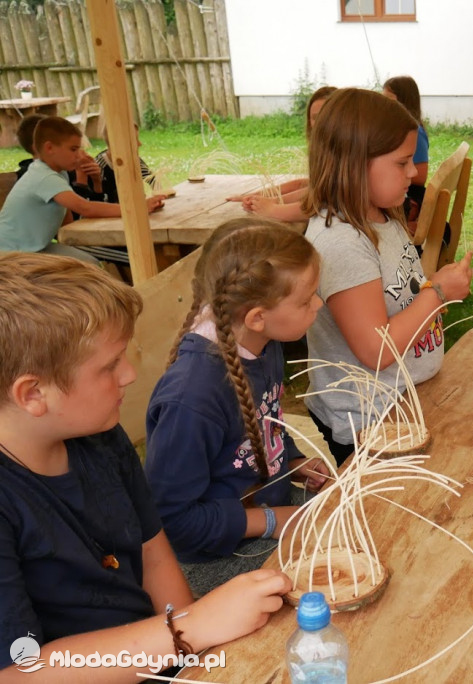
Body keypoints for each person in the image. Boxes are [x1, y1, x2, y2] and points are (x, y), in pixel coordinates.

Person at [0, 252, 291, 676]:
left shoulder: (99, 436)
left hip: (160, 647)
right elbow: (19, 672)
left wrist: (200, 659)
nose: (129, 375)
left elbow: (153, 553)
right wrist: (190, 629)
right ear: (32, 394)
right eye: (109, 365)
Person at [145, 218, 329, 596]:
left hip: (266, 513)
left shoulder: (263, 341)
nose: (320, 303)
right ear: (257, 317)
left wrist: (292, 463)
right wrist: (269, 520)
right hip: (216, 555)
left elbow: (265, 421)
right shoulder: (191, 398)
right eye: (307, 298)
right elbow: (173, 521)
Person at [301, 88, 473, 461]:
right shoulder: (341, 242)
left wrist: (430, 289)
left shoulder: (380, 216)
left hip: (403, 402)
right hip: (371, 424)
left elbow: (399, 294)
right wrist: (437, 293)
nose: (413, 173)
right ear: (355, 162)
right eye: (401, 163)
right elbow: (376, 350)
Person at [0, 117, 164, 264]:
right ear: (49, 148)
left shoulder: (58, 173)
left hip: (35, 247)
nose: (79, 155)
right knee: (90, 267)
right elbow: (84, 207)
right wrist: (137, 208)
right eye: (73, 149)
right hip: (12, 255)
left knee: (90, 264)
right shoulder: (44, 177)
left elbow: (66, 217)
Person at [232, 86, 338, 222]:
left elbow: (322, 204)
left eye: (326, 117)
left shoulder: (347, 156)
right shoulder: (324, 151)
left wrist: (273, 209)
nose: (319, 124)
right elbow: (311, 188)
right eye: (315, 118)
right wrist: (267, 198)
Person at [383, 75, 429, 220]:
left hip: (412, 196)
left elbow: (421, 176)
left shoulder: (416, 133)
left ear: (405, 102)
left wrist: (392, 172)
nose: (384, 105)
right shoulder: (397, 129)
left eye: (389, 100)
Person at [94, 123, 158, 203]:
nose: (139, 144)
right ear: (118, 144)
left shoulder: (135, 160)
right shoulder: (99, 166)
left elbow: (153, 180)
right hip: (113, 213)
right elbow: (98, 200)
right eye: (134, 140)